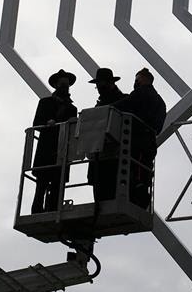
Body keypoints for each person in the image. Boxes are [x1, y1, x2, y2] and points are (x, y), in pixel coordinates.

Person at [113, 68, 166, 207]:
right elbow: (159, 127)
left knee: (135, 172)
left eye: (137, 80)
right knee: (145, 173)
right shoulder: (160, 101)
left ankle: (135, 197)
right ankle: (141, 200)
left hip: (137, 140)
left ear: (144, 80)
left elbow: (125, 104)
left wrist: (108, 108)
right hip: (150, 141)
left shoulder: (141, 93)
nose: (135, 83)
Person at [31, 69, 78, 213]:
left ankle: (53, 210)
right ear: (56, 85)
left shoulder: (72, 108)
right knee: (42, 184)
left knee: (58, 184)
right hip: (47, 149)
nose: (65, 86)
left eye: (67, 84)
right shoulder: (45, 103)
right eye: (62, 83)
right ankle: (37, 211)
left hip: (62, 150)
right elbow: (36, 123)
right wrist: (48, 123)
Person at [87, 68, 125, 201]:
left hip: (114, 159)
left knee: (109, 195)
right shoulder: (100, 105)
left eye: (101, 84)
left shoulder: (123, 101)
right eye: (98, 85)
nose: (99, 88)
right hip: (99, 159)